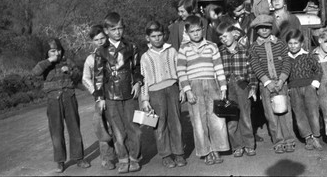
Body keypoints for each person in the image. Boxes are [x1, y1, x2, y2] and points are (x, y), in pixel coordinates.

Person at [93, 12, 144, 173]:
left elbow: (137, 68)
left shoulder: (131, 46)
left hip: (129, 93)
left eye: (120, 28)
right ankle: (122, 158)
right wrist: (100, 97)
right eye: (113, 29)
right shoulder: (101, 51)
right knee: (117, 129)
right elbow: (98, 76)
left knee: (133, 127)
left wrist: (137, 82)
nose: (117, 32)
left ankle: (134, 158)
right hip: (110, 96)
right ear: (106, 31)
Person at [177, 15, 230, 165]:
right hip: (194, 87)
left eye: (198, 30)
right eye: (192, 31)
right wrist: (187, 90)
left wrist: (223, 87)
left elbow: (218, 67)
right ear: (187, 32)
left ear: (203, 29)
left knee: (216, 118)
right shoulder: (184, 49)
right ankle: (205, 151)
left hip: (212, 85)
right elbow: (181, 71)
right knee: (199, 121)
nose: (196, 33)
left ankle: (216, 149)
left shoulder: (212, 46)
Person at [32, 38, 90, 173]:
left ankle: (79, 158)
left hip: (69, 98)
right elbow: (35, 72)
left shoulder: (68, 61)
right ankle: (60, 162)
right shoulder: (44, 64)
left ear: (61, 50)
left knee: (75, 129)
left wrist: (69, 71)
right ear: (47, 52)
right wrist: (49, 61)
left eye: (57, 50)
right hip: (53, 101)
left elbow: (78, 76)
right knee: (56, 132)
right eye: (52, 50)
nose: (56, 53)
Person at [139, 21, 187, 168]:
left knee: (176, 123)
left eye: (160, 35)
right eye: (153, 36)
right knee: (159, 125)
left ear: (164, 35)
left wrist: (182, 89)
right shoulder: (145, 57)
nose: (157, 38)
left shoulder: (172, 51)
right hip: (155, 93)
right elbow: (144, 79)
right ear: (148, 38)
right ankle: (165, 155)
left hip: (172, 88)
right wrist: (145, 99)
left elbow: (180, 70)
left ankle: (179, 153)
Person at [248, 14, 296, 154]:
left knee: (285, 113)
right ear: (256, 30)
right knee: (271, 115)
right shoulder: (254, 48)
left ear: (271, 28)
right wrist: (266, 82)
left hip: (281, 83)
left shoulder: (280, 43)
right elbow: (255, 65)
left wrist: (282, 80)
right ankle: (278, 141)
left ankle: (289, 140)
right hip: (266, 85)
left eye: (267, 27)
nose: (264, 30)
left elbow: (287, 62)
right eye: (261, 28)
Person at [216, 21, 258, 158]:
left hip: (242, 86)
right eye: (220, 37)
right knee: (232, 119)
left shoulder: (245, 51)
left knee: (245, 117)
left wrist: (253, 88)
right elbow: (217, 72)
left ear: (234, 34)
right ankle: (237, 146)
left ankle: (249, 145)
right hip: (228, 88)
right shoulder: (219, 52)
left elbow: (252, 72)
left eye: (225, 36)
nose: (223, 39)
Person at [81, 25, 116, 170]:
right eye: (96, 40)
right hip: (101, 98)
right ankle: (106, 159)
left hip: (116, 94)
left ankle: (123, 154)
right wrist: (95, 92)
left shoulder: (114, 52)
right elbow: (85, 78)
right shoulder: (90, 58)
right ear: (92, 41)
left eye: (102, 38)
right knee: (104, 128)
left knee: (119, 126)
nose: (100, 42)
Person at [285, 29, 323, 151]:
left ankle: (316, 136)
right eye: (290, 43)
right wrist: (288, 88)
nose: (293, 46)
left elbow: (318, 70)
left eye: (296, 43)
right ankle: (308, 137)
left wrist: (314, 84)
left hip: (308, 88)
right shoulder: (286, 59)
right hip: (294, 89)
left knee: (313, 112)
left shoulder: (307, 56)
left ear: (301, 44)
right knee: (299, 113)